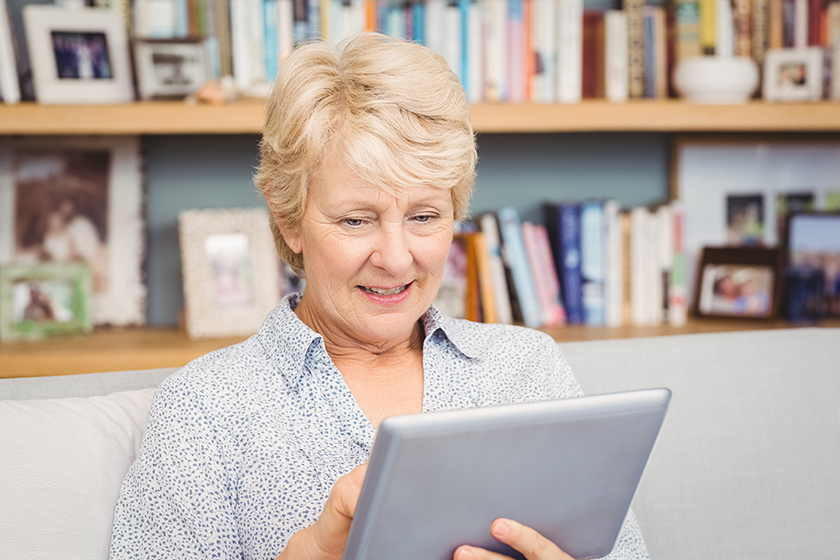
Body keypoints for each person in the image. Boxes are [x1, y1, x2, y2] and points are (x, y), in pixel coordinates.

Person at [110, 34, 650, 560]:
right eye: (356, 219)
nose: (395, 258)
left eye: (424, 217)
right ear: (288, 217)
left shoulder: (527, 370)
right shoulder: (204, 410)